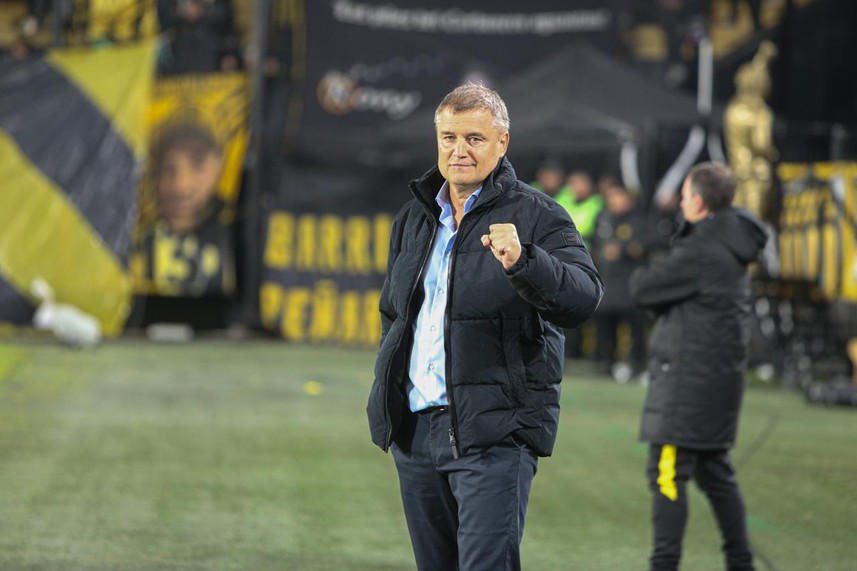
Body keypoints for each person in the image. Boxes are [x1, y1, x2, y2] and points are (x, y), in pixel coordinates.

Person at [367, 83, 603, 571]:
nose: (459, 150)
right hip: (416, 435)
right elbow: (395, 315)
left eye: (474, 138)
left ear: (502, 142)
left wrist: (525, 261)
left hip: (494, 436)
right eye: (449, 137)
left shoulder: (539, 216)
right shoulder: (414, 217)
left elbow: (584, 298)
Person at [629, 162, 767, 571]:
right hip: (718, 381)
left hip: (687, 384)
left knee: (667, 475)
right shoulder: (731, 241)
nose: (682, 203)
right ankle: (740, 562)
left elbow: (644, 288)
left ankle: (665, 564)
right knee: (715, 473)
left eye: (687, 196)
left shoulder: (702, 248)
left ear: (700, 203)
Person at [132, 122, 235, 296]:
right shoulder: (139, 237)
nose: (181, 185)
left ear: (219, 163)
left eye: (198, 164)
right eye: (168, 169)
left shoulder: (235, 230)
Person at [591, 182, 647, 380]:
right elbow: (594, 244)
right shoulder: (603, 219)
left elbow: (644, 247)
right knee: (606, 324)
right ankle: (605, 362)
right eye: (612, 196)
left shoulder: (637, 221)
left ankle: (637, 363)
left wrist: (624, 250)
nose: (614, 200)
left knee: (634, 326)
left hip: (630, 284)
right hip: (606, 282)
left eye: (619, 196)